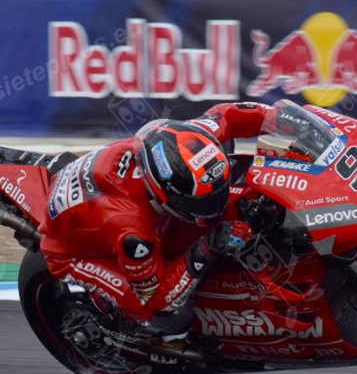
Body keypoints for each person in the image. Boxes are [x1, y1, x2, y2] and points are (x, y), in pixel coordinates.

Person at [38, 102, 274, 344]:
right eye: (202, 203)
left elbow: (229, 115)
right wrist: (206, 247)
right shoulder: (132, 232)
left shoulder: (184, 140)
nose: (219, 206)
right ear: (162, 195)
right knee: (169, 317)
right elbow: (158, 298)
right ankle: (138, 338)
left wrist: (278, 118)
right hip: (74, 250)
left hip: (112, 201)